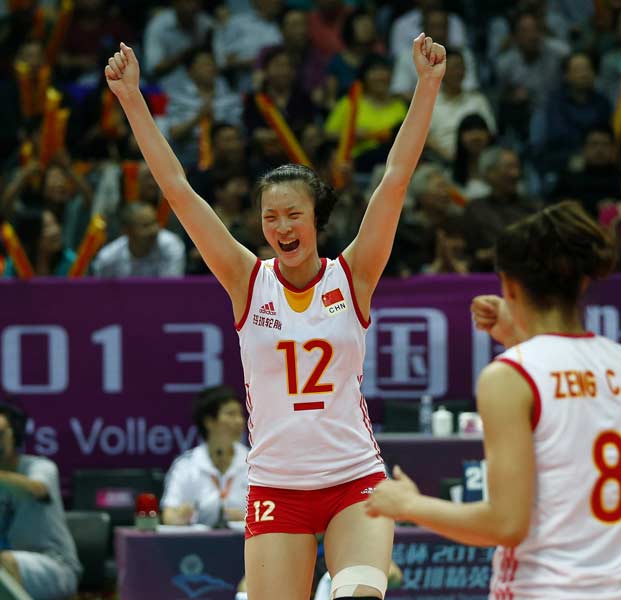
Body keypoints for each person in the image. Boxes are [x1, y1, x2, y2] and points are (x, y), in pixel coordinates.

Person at [104, 31, 445, 600]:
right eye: (270, 218)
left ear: (317, 219)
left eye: (294, 216)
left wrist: (426, 86)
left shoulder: (353, 274)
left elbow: (395, 179)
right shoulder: (246, 279)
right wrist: (132, 100)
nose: (282, 229)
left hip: (355, 481)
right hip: (275, 487)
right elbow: (179, 190)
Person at [365, 201, 621, 599]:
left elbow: (506, 524)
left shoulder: (510, 375)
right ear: (581, 282)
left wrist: (408, 504)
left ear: (510, 286)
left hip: (540, 589)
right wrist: (520, 333)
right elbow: (562, 382)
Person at [0, 403, 82, 600]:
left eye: (0, 433)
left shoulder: (41, 467)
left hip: (56, 566)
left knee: (3, 564)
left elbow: (36, 490)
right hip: (10, 563)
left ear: (15, 435)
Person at [161, 386, 249, 527]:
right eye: (231, 414)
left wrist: (248, 517)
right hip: (198, 545)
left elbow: (272, 512)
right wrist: (180, 517)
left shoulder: (254, 462)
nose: (239, 421)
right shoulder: (186, 465)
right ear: (209, 421)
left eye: (240, 414)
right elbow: (169, 515)